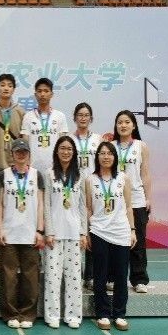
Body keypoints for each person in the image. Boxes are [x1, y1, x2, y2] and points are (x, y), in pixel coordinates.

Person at [85, 142, 136, 331]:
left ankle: (120, 314)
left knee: (121, 275)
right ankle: (103, 313)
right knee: (100, 275)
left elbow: (128, 206)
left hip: (121, 231)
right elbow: (88, 208)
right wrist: (88, 232)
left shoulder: (123, 178)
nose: (106, 156)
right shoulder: (90, 180)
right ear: (97, 156)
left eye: (109, 153)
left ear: (115, 157)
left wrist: (132, 230)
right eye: (102, 153)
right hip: (99, 231)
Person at [0, 139, 44, 330]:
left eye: (24, 151)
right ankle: (10, 314)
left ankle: (28, 314)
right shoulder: (4, 175)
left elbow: (40, 204)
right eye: (18, 151)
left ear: (29, 154)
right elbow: (0, 204)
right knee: (8, 278)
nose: (21, 154)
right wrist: (0, 229)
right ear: (12, 154)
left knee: (31, 278)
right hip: (9, 233)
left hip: (30, 234)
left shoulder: (37, 175)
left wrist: (40, 230)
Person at [43, 136, 87, 329]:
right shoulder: (49, 173)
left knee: (74, 277)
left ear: (74, 152)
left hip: (74, 233)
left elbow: (83, 206)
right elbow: (46, 204)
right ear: (56, 151)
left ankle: (73, 315)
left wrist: (83, 232)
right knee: (53, 278)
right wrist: (49, 231)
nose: (66, 152)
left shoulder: (80, 175)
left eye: (69, 149)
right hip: (54, 234)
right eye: (62, 148)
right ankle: (52, 315)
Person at [112, 110, 152, 294]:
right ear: (116, 126)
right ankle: (113, 278)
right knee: (115, 242)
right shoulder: (110, 146)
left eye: (127, 122)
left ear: (134, 125)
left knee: (138, 242)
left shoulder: (141, 146)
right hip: (115, 201)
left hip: (136, 200)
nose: (123, 125)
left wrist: (148, 197)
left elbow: (145, 173)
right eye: (120, 122)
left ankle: (139, 279)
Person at [69, 103, 102, 290]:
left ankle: (90, 275)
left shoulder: (97, 139)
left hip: (93, 189)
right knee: (75, 231)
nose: (83, 118)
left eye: (86, 115)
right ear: (74, 118)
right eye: (80, 115)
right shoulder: (68, 139)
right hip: (73, 189)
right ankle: (75, 274)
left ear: (91, 118)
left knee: (92, 232)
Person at [21, 77, 69, 172]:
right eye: (39, 91)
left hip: (55, 168)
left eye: (46, 91)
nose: (42, 94)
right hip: (33, 169)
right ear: (35, 95)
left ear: (51, 94)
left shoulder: (60, 116)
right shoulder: (28, 117)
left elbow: (63, 144)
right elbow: (25, 144)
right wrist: (26, 165)